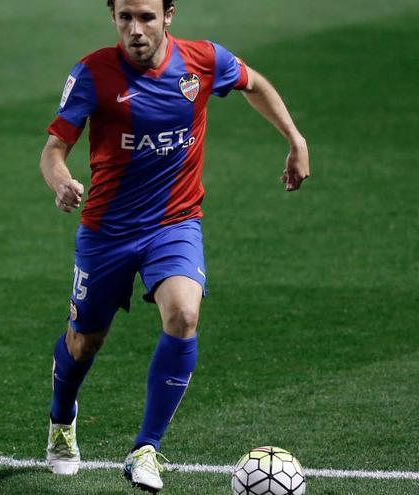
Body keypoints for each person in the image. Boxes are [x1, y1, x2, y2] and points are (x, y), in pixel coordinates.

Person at [40, 0, 309, 491]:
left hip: (175, 222)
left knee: (184, 315)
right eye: (125, 17)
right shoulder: (92, 73)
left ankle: (147, 449)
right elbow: (54, 149)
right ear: (113, 18)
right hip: (107, 231)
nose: (135, 29)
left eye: (145, 17)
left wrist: (294, 138)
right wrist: (60, 182)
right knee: (84, 343)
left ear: (169, 16)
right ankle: (61, 420)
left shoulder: (203, 61)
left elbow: (254, 82)